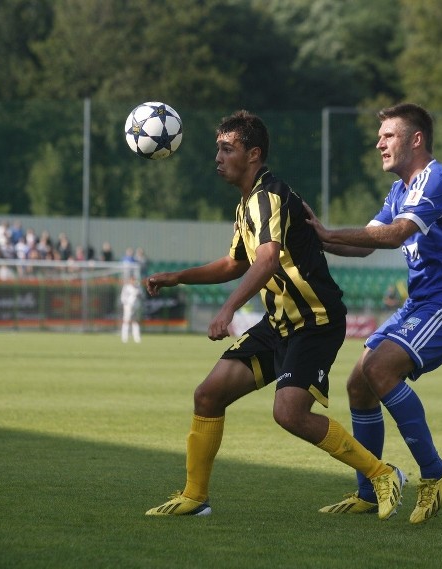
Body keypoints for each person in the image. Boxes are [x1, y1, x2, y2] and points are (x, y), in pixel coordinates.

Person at [144, 110, 404, 519]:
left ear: (253, 154)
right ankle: (195, 497)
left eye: (227, 148)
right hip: (280, 322)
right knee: (208, 394)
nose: (218, 156)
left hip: (314, 320)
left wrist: (228, 309)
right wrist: (178, 277)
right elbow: (235, 263)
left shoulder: (270, 195)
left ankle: (383, 473)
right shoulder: (247, 203)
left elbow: (264, 260)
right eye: (218, 148)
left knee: (289, 414)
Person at [304, 103, 442, 524]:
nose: (378, 142)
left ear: (416, 139)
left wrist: (327, 232)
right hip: (421, 301)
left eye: (388, 135)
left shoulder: (437, 179)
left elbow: (398, 234)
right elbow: (366, 243)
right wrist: (312, 239)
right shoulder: (401, 190)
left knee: (381, 369)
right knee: (358, 385)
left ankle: (436, 474)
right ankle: (369, 491)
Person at [119, 276, 143, 344]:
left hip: (136, 306)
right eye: (132, 280)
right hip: (128, 306)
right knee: (126, 321)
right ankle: (124, 337)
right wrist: (126, 304)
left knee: (135, 321)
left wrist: (138, 294)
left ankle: (137, 337)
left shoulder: (138, 287)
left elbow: (141, 295)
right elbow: (123, 297)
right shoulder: (126, 287)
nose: (133, 282)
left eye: (134, 280)